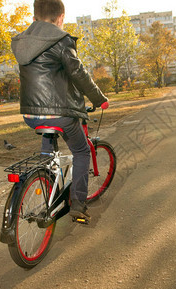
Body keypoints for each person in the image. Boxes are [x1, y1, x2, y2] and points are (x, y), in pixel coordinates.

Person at [11, 0, 109, 220]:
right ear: (61, 18)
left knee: (49, 147)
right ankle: (78, 205)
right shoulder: (61, 40)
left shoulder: (22, 43)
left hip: (30, 114)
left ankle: (48, 182)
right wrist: (99, 98)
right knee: (81, 151)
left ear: (34, 17)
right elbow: (78, 74)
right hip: (60, 114)